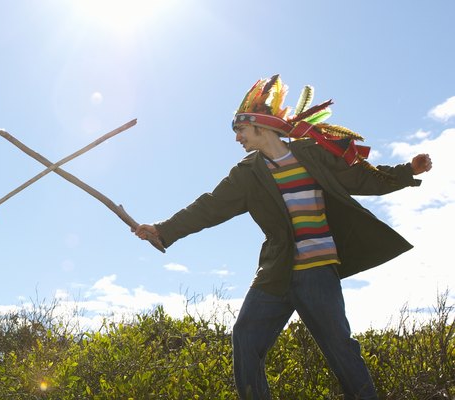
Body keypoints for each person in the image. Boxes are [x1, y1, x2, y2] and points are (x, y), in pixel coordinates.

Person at [135, 75, 432, 399]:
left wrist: (407, 171)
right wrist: (163, 230)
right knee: (245, 339)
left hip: (318, 273)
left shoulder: (313, 155)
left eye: (241, 130)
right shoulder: (247, 174)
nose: (237, 138)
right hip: (276, 273)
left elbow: (362, 177)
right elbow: (209, 207)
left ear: (261, 126)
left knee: (340, 349)